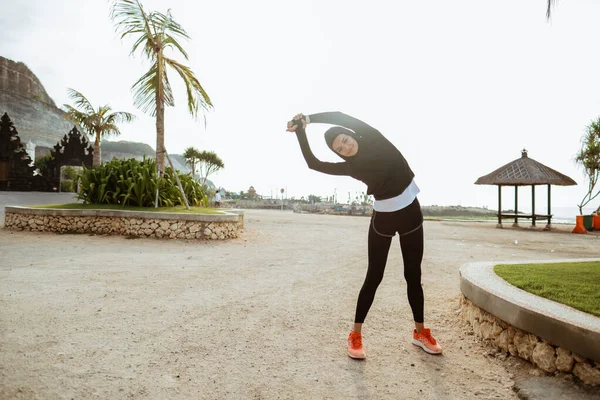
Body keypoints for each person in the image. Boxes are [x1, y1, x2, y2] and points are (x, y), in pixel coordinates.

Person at [286, 111, 442, 359]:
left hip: (411, 213)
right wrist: (301, 134)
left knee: (413, 275)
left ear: (350, 135)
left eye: (345, 140)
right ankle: (355, 335)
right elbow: (313, 164)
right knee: (374, 276)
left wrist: (308, 119)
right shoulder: (351, 167)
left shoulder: (374, 138)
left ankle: (420, 333)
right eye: (339, 148)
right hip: (384, 218)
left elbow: (340, 116)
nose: (345, 147)